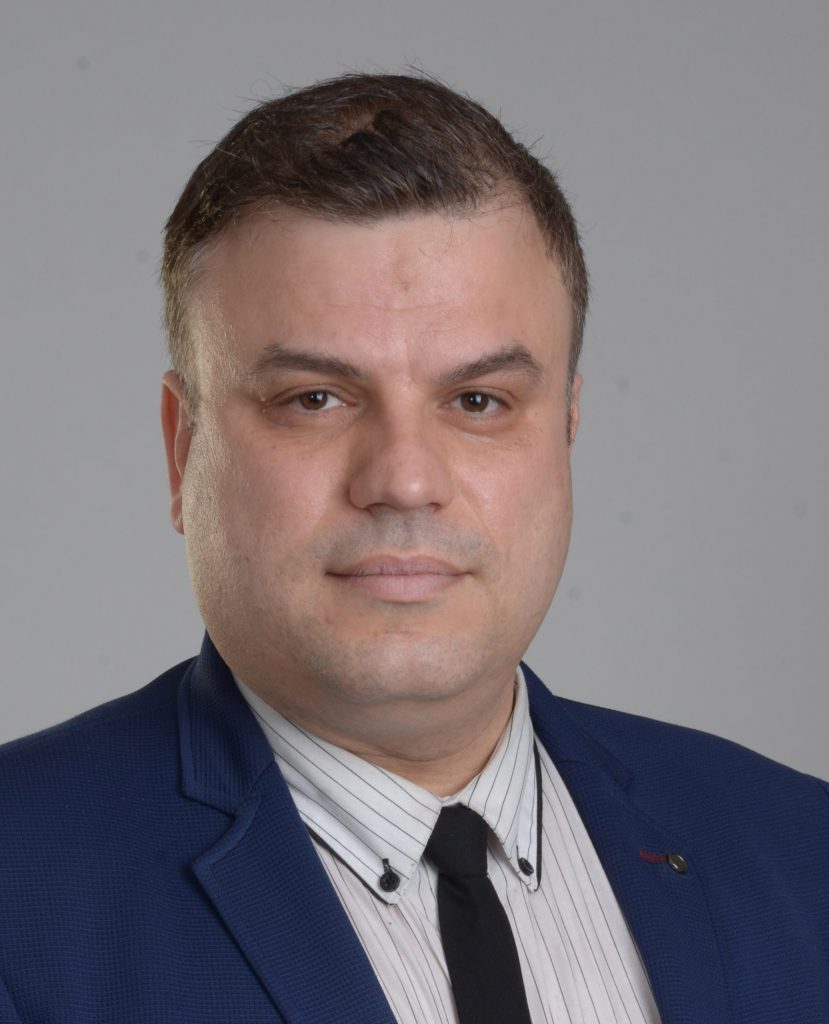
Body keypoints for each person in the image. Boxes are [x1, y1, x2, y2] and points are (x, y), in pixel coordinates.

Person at [0, 72, 827, 1024]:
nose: (402, 479)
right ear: (183, 448)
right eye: (314, 399)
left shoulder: (802, 853)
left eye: (478, 401)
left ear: (565, 431)